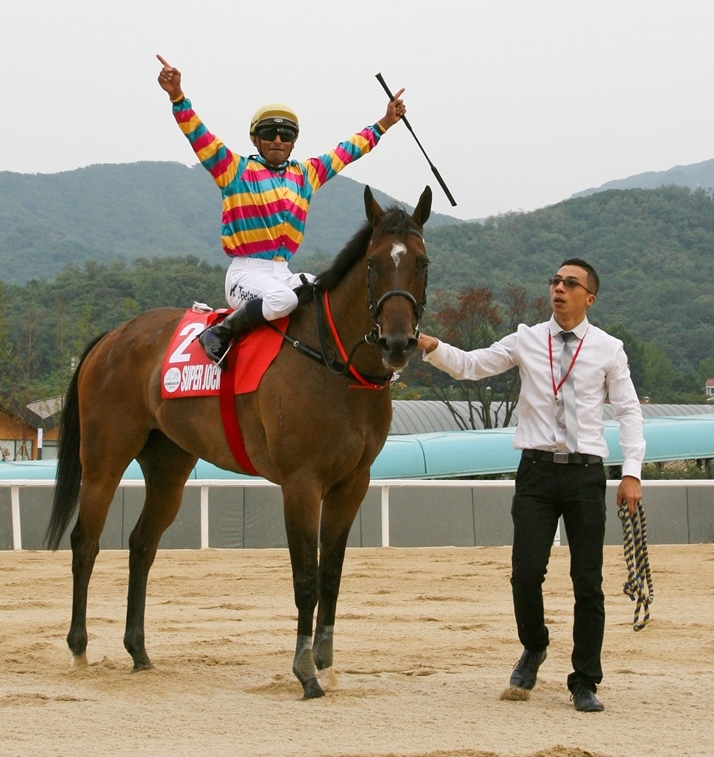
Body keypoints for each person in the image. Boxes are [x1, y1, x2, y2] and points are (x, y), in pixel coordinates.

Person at [416, 258, 645, 714]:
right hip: (536, 473)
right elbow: (471, 366)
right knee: (525, 573)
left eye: (570, 283)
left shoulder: (608, 349)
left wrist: (632, 472)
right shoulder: (526, 338)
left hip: (585, 473)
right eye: (555, 281)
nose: (559, 288)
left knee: (588, 582)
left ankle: (584, 680)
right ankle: (534, 646)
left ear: (589, 297)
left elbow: (629, 412)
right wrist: (431, 344)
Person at [156, 54, 407, 366]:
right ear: (256, 140)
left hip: (282, 272)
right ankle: (219, 332)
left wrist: (383, 124)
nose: (277, 140)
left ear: (293, 142)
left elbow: (346, 151)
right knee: (284, 300)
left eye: (285, 135)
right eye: (269, 134)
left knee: (324, 295)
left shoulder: (306, 174)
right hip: (245, 273)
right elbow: (199, 135)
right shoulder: (234, 170)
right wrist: (177, 97)